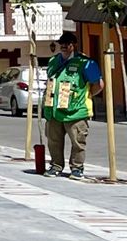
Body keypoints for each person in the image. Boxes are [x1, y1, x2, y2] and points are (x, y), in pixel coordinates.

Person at [42, 31, 103, 179]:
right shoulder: (53, 61)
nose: (63, 46)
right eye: (61, 43)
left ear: (74, 45)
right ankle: (56, 166)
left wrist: (86, 96)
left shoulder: (86, 63)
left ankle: (77, 168)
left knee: (78, 142)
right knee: (53, 141)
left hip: (76, 111)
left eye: (67, 43)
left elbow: (99, 85)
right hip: (54, 110)